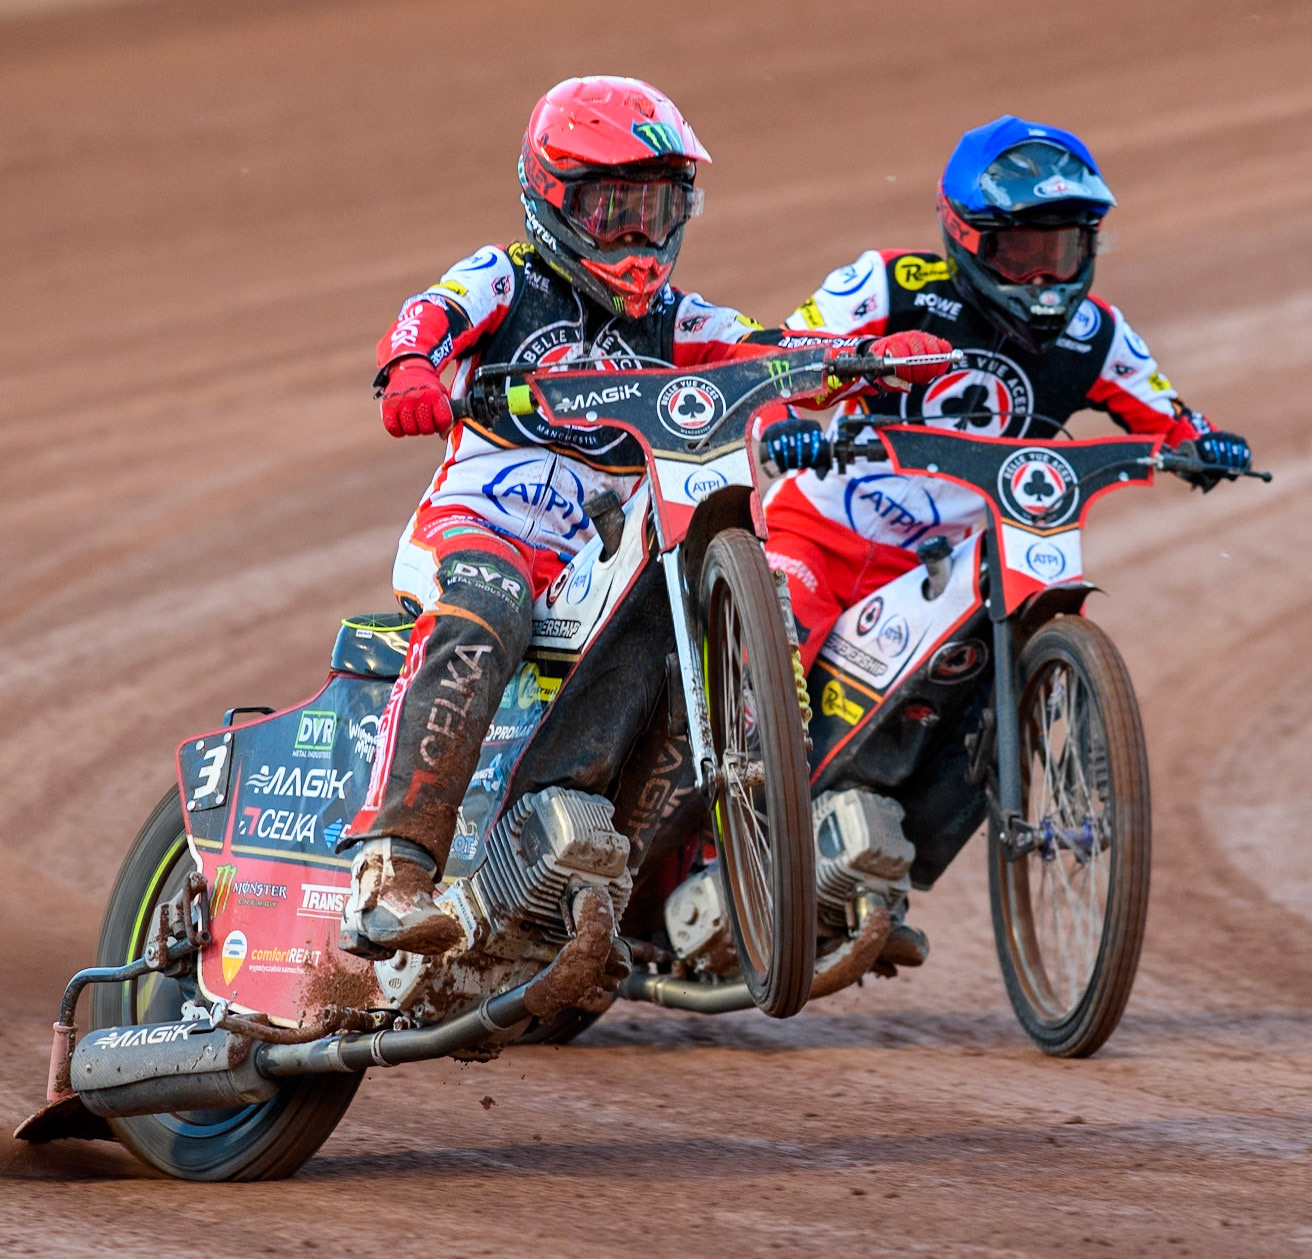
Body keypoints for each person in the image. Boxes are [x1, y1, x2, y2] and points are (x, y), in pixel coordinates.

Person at [340, 75, 948, 959]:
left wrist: (864, 360)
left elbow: (768, 348)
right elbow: (432, 312)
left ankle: (585, 876)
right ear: (553, 197)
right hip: (479, 527)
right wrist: (410, 368)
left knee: (683, 631)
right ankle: (391, 869)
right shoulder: (506, 279)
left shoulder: (678, 320)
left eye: (657, 208)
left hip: (599, 553)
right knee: (490, 602)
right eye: (613, 206)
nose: (637, 232)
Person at [757, 115, 1255, 965]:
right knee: (771, 653)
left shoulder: (1095, 332)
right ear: (966, 238)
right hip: (826, 533)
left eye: (1058, 251)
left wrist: (1202, 443)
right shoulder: (888, 284)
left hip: (952, 561)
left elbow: (1165, 410)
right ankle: (719, 848)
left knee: (987, 674)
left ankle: (870, 859)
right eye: (1019, 251)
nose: (1041, 275)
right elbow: (781, 355)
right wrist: (784, 417)